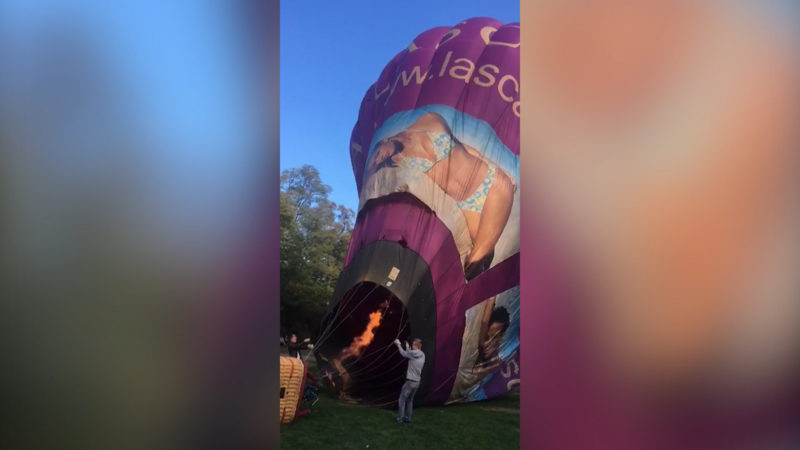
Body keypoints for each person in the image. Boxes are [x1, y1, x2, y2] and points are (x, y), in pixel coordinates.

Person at [367, 113, 516, 280]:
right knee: (478, 267)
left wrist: (498, 169)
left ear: (384, 140)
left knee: (478, 257)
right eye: (375, 160)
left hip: (492, 184)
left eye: (377, 152)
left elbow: (463, 147)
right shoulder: (397, 163)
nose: (377, 158)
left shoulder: (429, 120)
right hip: (466, 206)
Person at [393, 338, 426, 424]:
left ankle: (399, 419)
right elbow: (411, 355)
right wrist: (408, 348)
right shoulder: (422, 354)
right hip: (417, 382)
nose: (412, 346)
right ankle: (408, 419)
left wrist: (398, 344)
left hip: (410, 382)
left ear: (416, 345)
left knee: (402, 400)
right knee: (410, 400)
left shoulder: (413, 353)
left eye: (413, 344)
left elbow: (403, 354)